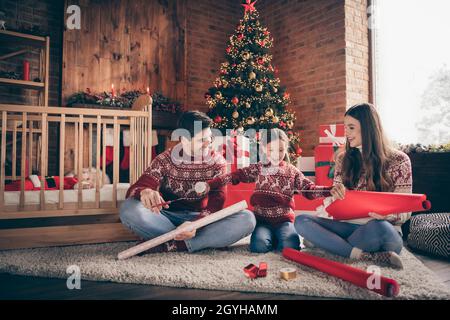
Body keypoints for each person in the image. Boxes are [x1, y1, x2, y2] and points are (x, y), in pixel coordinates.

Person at [119, 111, 256, 254]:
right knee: (128, 208)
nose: (208, 143)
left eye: (210, 137)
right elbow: (134, 189)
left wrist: (196, 224)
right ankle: (189, 241)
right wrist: (144, 191)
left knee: (247, 218)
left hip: (200, 219)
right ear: (184, 140)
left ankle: (170, 244)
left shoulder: (218, 163)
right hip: (165, 218)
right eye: (202, 139)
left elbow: (216, 204)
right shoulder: (164, 160)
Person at [295, 103, 412, 268]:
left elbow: (406, 209)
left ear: (368, 128)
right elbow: (334, 205)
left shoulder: (399, 160)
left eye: (351, 127)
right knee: (301, 220)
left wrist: (386, 215)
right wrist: (334, 196)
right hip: (347, 226)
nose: (346, 133)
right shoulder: (343, 159)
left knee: (380, 228)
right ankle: (363, 256)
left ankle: (331, 246)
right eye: (345, 127)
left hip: (380, 229)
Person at [208, 128, 332, 253]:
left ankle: (279, 237)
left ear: (286, 149)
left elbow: (308, 189)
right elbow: (236, 176)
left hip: (284, 221)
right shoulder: (258, 168)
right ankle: (272, 238)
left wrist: (329, 191)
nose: (276, 154)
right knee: (259, 246)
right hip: (262, 221)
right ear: (262, 148)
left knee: (290, 246)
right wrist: (211, 184)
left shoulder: (292, 171)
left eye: (281, 150)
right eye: (271, 150)